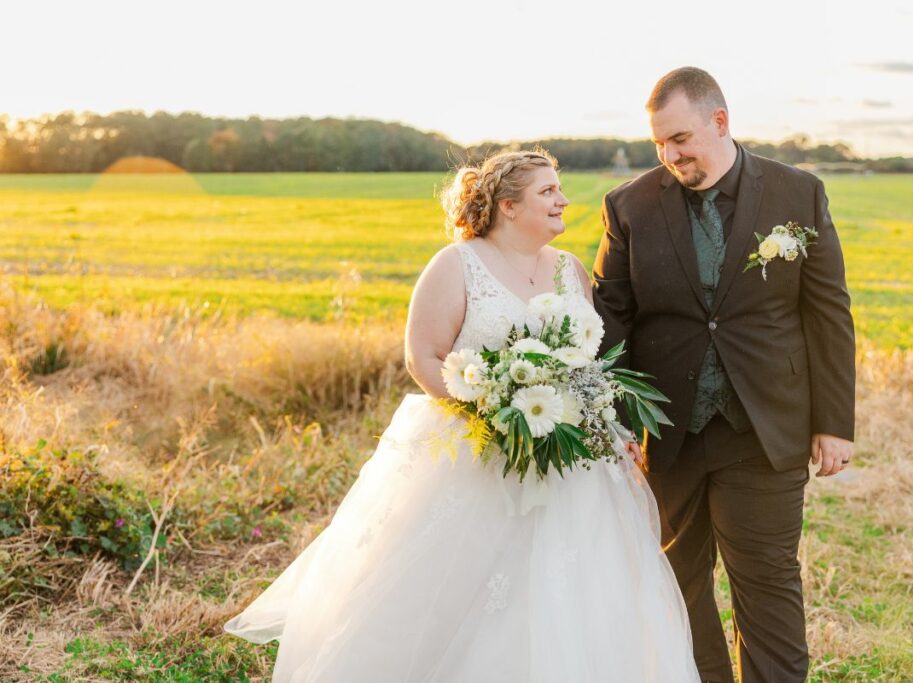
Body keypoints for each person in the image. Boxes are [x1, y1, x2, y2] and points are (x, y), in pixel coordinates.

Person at [224, 149, 701, 682]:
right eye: (547, 191)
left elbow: (589, 361)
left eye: (558, 189)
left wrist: (603, 427)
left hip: (569, 457)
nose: (562, 200)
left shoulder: (568, 270)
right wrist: (491, 413)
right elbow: (423, 356)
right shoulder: (456, 264)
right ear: (508, 206)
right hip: (475, 450)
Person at [593, 67, 856, 682]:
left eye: (680, 138)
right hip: (667, 434)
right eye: (659, 142)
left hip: (765, 428)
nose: (670, 154)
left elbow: (828, 314)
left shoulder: (798, 193)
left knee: (767, 582)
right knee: (676, 585)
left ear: (721, 121)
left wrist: (834, 423)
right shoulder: (628, 206)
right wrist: (616, 423)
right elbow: (611, 321)